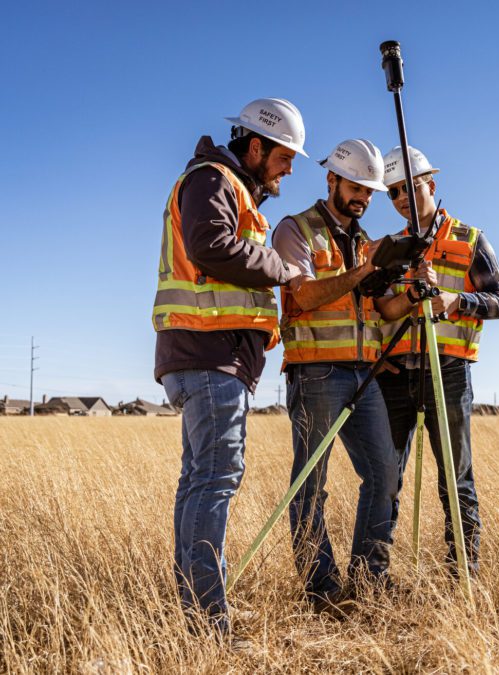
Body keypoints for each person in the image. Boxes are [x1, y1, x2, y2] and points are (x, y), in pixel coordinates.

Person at [152, 98, 307, 637]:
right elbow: (211, 246)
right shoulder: (213, 180)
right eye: (286, 157)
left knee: (201, 481)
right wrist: (282, 270)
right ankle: (204, 619)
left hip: (211, 356)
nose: (290, 168)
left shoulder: (232, 188)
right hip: (208, 355)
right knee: (215, 480)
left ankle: (196, 607)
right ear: (257, 146)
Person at [271, 139, 400, 613]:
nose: (363, 198)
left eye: (370, 192)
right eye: (356, 187)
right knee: (311, 481)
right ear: (332, 180)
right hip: (317, 372)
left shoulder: (364, 243)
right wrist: (361, 272)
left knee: (384, 474)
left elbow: (380, 309)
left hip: (364, 374)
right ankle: (321, 589)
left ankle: (368, 580)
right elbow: (301, 297)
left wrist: (409, 289)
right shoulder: (296, 230)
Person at [375, 146, 499, 576]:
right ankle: (374, 576)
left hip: (448, 372)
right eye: (393, 194)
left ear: (430, 186)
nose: (400, 201)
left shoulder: (470, 239)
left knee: (455, 478)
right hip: (395, 376)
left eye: (408, 190)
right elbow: (374, 311)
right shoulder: (390, 249)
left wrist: (455, 300)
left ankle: (462, 576)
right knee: (385, 479)